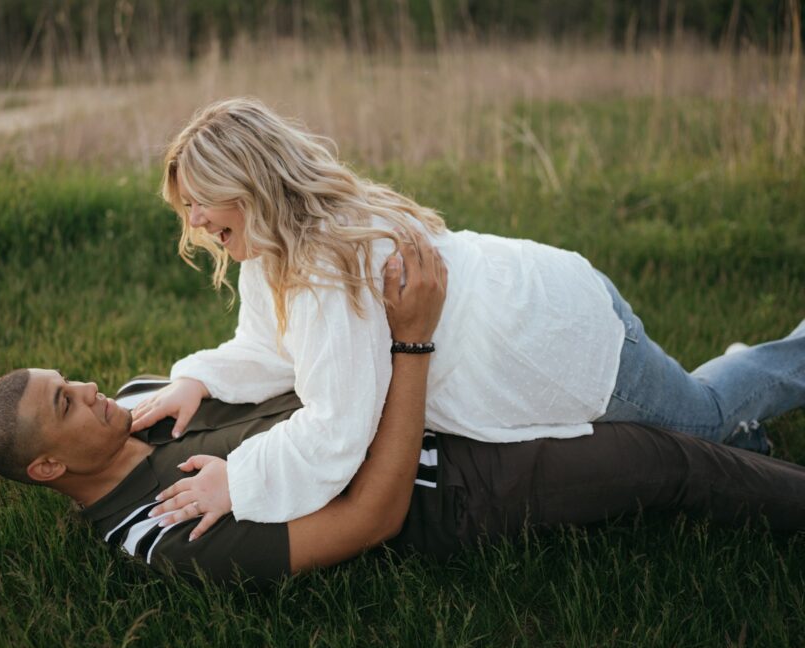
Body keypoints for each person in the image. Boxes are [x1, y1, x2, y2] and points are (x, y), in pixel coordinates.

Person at [129, 96, 805, 534]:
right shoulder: (276, 252)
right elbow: (271, 348)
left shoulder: (323, 267)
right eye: (184, 206)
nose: (192, 221)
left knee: (703, 417)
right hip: (534, 309)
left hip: (563, 333)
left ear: (248, 186)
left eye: (200, 201)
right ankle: (747, 437)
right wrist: (201, 379)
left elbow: (337, 429)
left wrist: (239, 478)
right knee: (702, 417)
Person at [0, 240, 805, 585]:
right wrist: (411, 347)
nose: (91, 387)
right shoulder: (170, 534)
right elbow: (373, 515)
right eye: (66, 401)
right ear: (48, 466)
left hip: (442, 398)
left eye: (70, 378)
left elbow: (289, 364)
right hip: (455, 483)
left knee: (682, 412)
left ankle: (742, 421)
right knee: (665, 460)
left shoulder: (148, 405)